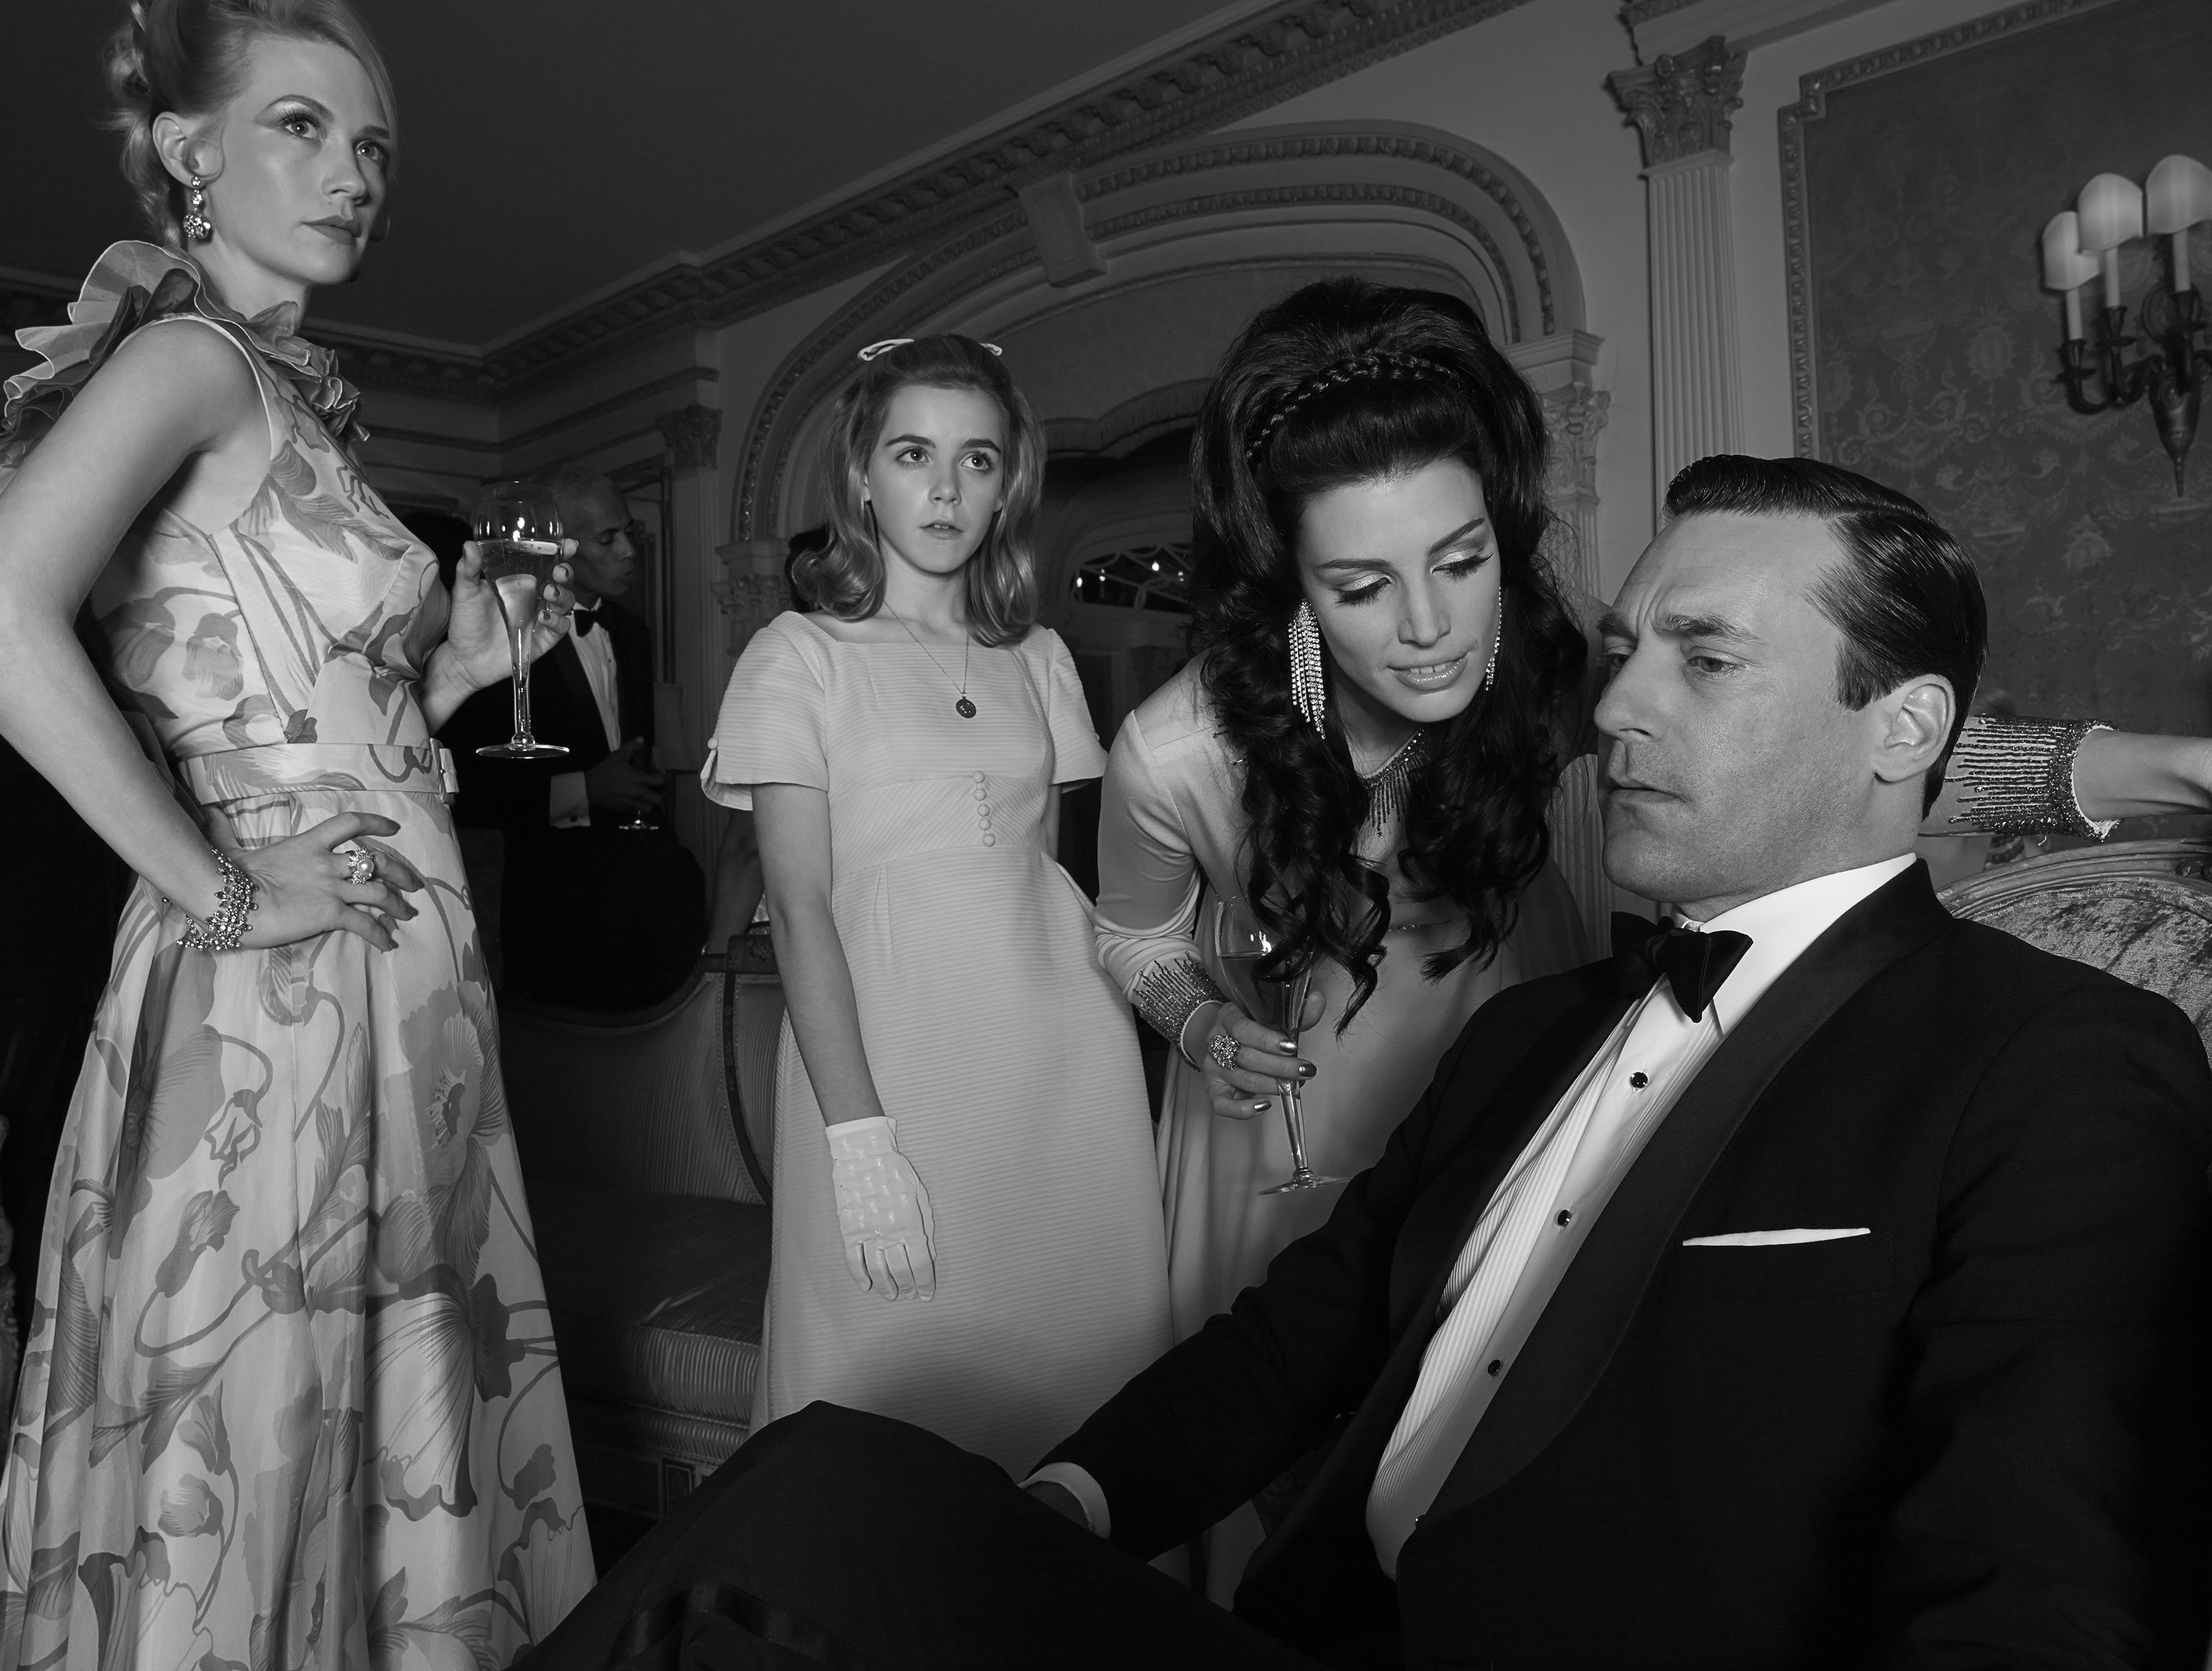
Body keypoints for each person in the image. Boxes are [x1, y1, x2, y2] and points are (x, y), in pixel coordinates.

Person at [523, 456, 2212, 1670]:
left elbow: (2041, 1571)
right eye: (1626, 651)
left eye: (1703, 660)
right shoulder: (1523, 1029)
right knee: (819, 1482)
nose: (1615, 709)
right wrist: (1071, 1496)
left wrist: (2132, 765)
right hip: (1313, 1620)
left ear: (1905, 726)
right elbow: (1293, 1340)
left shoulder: (2054, 1060)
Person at [1097, 275, 2212, 1601]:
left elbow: (1833, 757)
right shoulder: (1177, 749)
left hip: (1512, 1045)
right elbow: (1130, 933)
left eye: (1463, 562)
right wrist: (1199, 1021)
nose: (1431, 627)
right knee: (1292, 1416)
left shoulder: (1556, 671)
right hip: (1285, 1110)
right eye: (1361, 586)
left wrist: (2171, 766)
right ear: (1297, 585)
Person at [0, 3, 594, 1661]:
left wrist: (454, 674)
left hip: (387, 978)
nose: (354, 171)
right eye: (303, 127)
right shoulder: (186, 361)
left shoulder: (287, 397)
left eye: (372, 142)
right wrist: (222, 889)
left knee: (367, 1428)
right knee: (258, 1433)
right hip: (279, 988)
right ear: (191, 150)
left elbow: (313, 707)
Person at [698, 334, 1172, 1476]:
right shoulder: (797, 654)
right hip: (886, 1066)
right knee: (880, 1387)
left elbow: (1053, 878)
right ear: (862, 476)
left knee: (1079, 1374)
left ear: (1009, 486)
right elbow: (799, 909)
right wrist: (858, 1138)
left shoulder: (1041, 657)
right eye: (914, 454)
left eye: (977, 459)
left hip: (1065, 1067)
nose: (947, 488)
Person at [438, 467, 709, 1009]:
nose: (629, 552)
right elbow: (472, 784)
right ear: (560, 547)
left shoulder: (632, 632)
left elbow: (629, 749)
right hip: (554, 905)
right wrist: (586, 790)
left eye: (629, 533)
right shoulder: (502, 634)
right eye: (608, 539)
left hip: (641, 893)